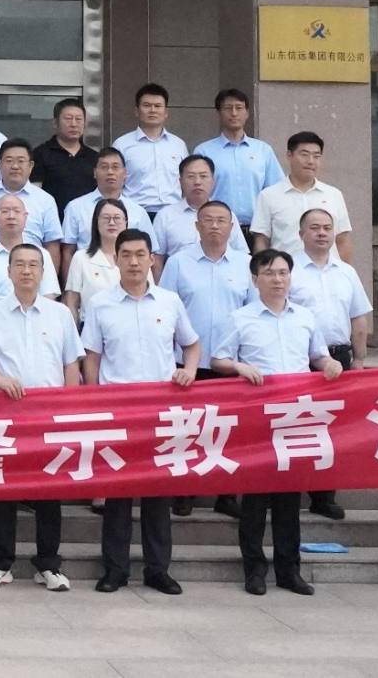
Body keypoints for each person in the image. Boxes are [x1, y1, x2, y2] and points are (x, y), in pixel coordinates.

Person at [211, 248, 340, 597]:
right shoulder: (240, 318)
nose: (278, 279)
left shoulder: (305, 317)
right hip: (256, 417)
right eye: (269, 273)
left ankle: (289, 571)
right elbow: (218, 358)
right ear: (255, 280)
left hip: (294, 416)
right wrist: (239, 367)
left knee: (289, 500)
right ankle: (254, 570)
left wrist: (329, 364)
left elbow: (318, 355)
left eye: (283, 273)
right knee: (254, 500)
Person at [81, 228, 199, 595]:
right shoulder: (100, 304)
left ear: (151, 259)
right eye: (126, 255)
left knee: (157, 496)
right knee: (117, 495)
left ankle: (157, 570)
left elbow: (192, 345)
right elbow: (92, 358)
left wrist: (189, 370)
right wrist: (94, 403)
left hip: (160, 411)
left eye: (140, 255)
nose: (134, 262)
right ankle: (115, 570)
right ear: (116, 259)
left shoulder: (169, 301)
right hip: (117, 410)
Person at [0, 242, 82, 592]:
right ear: (8, 271)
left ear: (44, 272)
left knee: (49, 490)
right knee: (4, 488)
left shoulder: (60, 314)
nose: (26, 270)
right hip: (7, 412)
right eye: (19, 264)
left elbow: (71, 363)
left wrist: (69, 409)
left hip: (49, 414)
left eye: (34, 264)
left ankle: (48, 564)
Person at [156, 199, 251, 518]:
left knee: (229, 430)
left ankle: (227, 494)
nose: (214, 226)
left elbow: (252, 313)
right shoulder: (178, 263)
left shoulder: (245, 264)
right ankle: (184, 492)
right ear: (196, 226)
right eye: (207, 220)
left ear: (232, 227)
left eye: (221, 220)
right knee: (186, 429)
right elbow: (165, 307)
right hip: (187, 363)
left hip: (231, 362)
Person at [292, 207, 373, 520]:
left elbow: (359, 318)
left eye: (327, 227)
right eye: (314, 227)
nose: (322, 233)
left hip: (339, 359)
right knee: (293, 425)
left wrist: (359, 360)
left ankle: (324, 496)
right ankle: (283, 492)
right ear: (301, 234)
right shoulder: (288, 269)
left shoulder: (346, 272)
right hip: (297, 358)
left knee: (331, 430)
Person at [251, 131, 355, 264]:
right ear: (289, 155)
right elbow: (262, 240)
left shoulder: (333, 194)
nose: (310, 161)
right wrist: (263, 270)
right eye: (304, 155)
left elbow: (342, 240)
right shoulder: (268, 196)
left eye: (316, 156)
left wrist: (346, 272)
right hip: (286, 272)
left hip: (328, 271)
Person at [194, 88, 283, 232]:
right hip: (217, 230)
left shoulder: (263, 150)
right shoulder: (204, 151)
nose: (234, 113)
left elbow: (276, 190)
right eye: (228, 108)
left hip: (257, 229)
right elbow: (197, 193)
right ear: (219, 113)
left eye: (239, 108)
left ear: (247, 113)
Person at [59, 148, 154, 276]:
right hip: (87, 276)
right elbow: (68, 252)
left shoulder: (138, 212)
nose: (110, 172)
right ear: (95, 172)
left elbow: (149, 252)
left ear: (125, 173)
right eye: (104, 167)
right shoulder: (76, 207)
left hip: (128, 276)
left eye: (115, 167)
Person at [0, 196, 61, 315]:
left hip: (35, 320)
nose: (11, 216)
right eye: (4, 211)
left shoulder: (42, 254)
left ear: (25, 217)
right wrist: (5, 320)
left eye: (16, 211)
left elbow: (49, 297)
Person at [0, 138, 63, 269]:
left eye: (21, 161)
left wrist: (48, 276)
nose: (15, 166)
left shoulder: (45, 200)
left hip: (32, 270)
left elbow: (52, 244)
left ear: (31, 166)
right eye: (9, 161)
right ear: (0, 165)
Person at [152, 155, 248, 263]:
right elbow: (157, 258)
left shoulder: (226, 214)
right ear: (180, 181)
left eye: (203, 176)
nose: (197, 182)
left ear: (213, 181)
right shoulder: (165, 216)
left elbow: (241, 254)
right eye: (191, 176)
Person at [111, 83, 188, 218]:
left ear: (166, 112)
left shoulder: (178, 145)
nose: (152, 110)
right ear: (136, 111)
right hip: (135, 214)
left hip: (173, 214)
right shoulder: (121, 145)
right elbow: (114, 183)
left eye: (158, 106)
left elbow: (186, 181)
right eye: (146, 105)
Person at [62, 198, 131, 323]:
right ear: (96, 222)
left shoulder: (136, 258)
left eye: (117, 218)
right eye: (106, 218)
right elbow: (72, 302)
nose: (111, 223)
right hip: (90, 327)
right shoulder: (81, 258)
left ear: (125, 222)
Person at [31, 97, 98, 215]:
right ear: (55, 123)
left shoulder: (94, 157)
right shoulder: (40, 154)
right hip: (53, 221)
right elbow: (35, 194)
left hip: (86, 221)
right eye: (68, 119)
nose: (74, 124)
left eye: (78, 119)